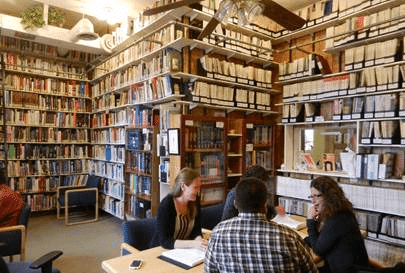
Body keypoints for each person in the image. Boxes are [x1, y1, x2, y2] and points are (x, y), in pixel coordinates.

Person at [205, 177, 318, 273]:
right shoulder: (289, 237)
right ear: (265, 205)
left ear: (235, 204)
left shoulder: (217, 234)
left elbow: (209, 270)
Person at [304, 176, 369, 273]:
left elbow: (318, 250)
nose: (313, 201)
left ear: (328, 196)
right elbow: (324, 238)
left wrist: (310, 222)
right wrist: (303, 241)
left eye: (317, 196)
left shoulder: (338, 218)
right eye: (312, 196)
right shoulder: (339, 213)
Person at [153, 167, 207, 249]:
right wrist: (193, 244)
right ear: (183, 186)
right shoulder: (167, 204)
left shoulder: (195, 201)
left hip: (184, 250)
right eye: (195, 187)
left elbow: (196, 231)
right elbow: (165, 241)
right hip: (162, 250)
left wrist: (200, 241)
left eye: (199, 187)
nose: (198, 191)